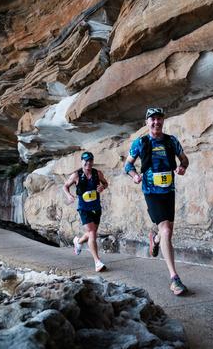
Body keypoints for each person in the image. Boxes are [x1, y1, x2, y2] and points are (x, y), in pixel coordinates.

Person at [124, 107, 190, 295]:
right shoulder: (141, 142)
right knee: (167, 229)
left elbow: (184, 160)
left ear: (163, 121)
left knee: (167, 231)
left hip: (168, 191)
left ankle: (155, 238)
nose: (156, 122)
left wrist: (183, 167)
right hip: (151, 192)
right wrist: (134, 175)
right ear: (147, 122)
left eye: (159, 119)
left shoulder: (171, 141)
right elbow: (127, 165)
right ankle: (174, 279)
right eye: (152, 119)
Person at [64, 151, 110, 272]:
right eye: (86, 161)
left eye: (90, 161)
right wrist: (69, 195)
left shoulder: (97, 173)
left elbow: (105, 183)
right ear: (82, 161)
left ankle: (78, 241)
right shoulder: (76, 175)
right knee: (92, 233)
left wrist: (102, 187)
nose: (88, 163)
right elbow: (65, 186)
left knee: (92, 233)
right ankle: (97, 262)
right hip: (84, 208)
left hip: (96, 207)